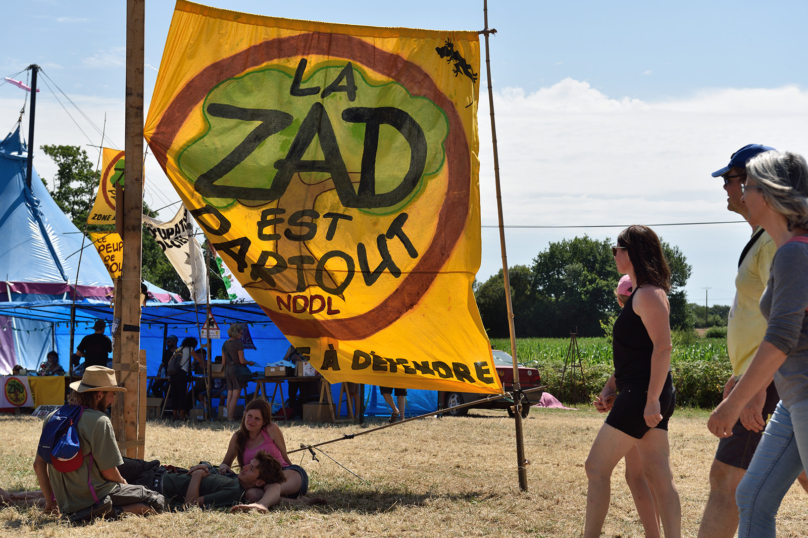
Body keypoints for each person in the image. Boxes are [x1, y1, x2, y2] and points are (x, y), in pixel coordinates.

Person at [696, 144, 805, 537]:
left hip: (788, 388)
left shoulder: (788, 249)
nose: (734, 190)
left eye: (741, 181)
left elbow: (783, 331)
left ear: (767, 190)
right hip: (783, 392)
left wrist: (744, 394)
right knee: (756, 494)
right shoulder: (777, 245)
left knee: (733, 486)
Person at [584, 225, 680, 538]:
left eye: (618, 249)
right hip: (641, 392)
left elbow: (663, 348)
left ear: (632, 252)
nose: (614, 255)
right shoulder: (643, 293)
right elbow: (638, 355)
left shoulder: (649, 294)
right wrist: (612, 387)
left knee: (596, 467)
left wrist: (651, 399)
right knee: (657, 475)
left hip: (642, 396)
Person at [32, 366, 165, 517]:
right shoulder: (100, 421)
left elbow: (38, 465)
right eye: (112, 395)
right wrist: (125, 484)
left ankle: (94, 511)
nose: (113, 401)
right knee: (156, 500)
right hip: (93, 496)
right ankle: (104, 512)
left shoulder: (52, 417)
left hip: (65, 503)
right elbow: (108, 472)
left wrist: (51, 502)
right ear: (99, 395)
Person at [594, 274, 660, 538]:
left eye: (622, 300)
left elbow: (633, 365)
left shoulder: (633, 321)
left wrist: (616, 391)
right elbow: (629, 364)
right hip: (649, 397)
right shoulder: (652, 312)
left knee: (633, 475)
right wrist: (611, 389)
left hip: (638, 400)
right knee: (647, 475)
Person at [218, 398, 324, 511]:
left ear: (264, 421)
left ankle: (262, 505)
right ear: (245, 414)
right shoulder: (238, 438)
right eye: (249, 416)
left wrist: (292, 472)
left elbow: (285, 456)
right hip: (261, 483)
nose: (251, 421)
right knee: (252, 494)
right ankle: (299, 502)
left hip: (284, 474)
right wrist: (223, 466)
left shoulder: (271, 429)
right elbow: (225, 463)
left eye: (257, 418)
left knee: (273, 485)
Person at [118, 450, 285, 509]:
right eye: (249, 464)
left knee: (102, 479)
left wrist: (197, 476)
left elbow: (191, 504)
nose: (245, 467)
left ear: (259, 482)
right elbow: (207, 467)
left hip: (150, 486)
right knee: (105, 461)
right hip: (152, 469)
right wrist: (203, 467)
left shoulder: (234, 491)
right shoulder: (234, 478)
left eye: (252, 469)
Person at [222, 323, 256, 422]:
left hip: (228, 370)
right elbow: (242, 361)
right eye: (241, 333)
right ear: (236, 333)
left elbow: (223, 362)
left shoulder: (224, 344)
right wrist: (249, 362)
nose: (241, 335)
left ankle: (228, 417)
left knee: (230, 394)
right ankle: (230, 418)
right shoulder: (238, 344)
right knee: (236, 395)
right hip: (236, 370)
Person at [169, 337, 203, 421]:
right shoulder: (190, 349)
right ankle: (182, 416)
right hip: (182, 374)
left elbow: (170, 362)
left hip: (173, 374)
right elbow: (199, 360)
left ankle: (175, 416)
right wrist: (198, 359)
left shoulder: (178, 349)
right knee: (182, 395)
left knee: (174, 395)